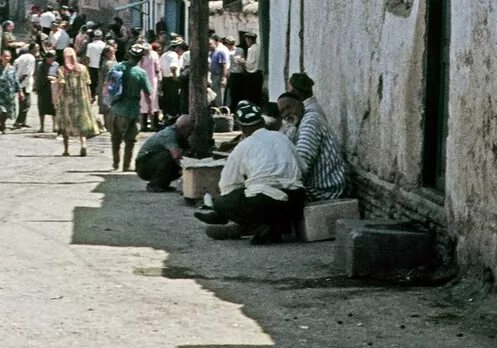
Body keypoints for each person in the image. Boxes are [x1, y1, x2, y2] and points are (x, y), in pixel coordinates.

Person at [195, 101, 306, 243]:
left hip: (263, 203)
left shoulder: (243, 147)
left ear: (242, 128)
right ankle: (266, 227)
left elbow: (227, 185)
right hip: (295, 201)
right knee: (261, 197)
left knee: (221, 202)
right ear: (262, 122)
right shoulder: (282, 138)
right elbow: (303, 168)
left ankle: (245, 224)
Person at [278, 91, 347, 201]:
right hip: (313, 187)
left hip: (326, 190)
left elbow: (303, 159)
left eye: (289, 107)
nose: (286, 113)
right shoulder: (294, 125)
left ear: (301, 104)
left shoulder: (311, 119)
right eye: (282, 111)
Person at [106, 43, 153, 172]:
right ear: (141, 58)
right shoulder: (141, 73)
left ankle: (116, 163)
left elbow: (108, 84)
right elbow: (148, 93)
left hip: (116, 108)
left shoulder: (118, 67)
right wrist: (149, 109)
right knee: (130, 140)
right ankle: (126, 165)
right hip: (132, 110)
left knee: (115, 138)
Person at [53, 47, 98, 156]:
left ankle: (66, 150)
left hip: (67, 101)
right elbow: (88, 85)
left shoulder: (62, 70)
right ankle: (83, 144)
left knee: (65, 124)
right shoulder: (83, 69)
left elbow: (61, 86)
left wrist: (55, 99)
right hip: (82, 100)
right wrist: (89, 97)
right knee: (81, 123)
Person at [134, 115, 194, 192]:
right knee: (170, 156)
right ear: (183, 127)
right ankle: (154, 185)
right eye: (190, 129)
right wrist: (187, 170)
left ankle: (163, 184)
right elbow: (176, 156)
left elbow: (187, 153)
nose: (191, 133)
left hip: (151, 162)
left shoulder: (179, 135)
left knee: (179, 160)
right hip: (143, 166)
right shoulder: (169, 134)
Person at [0, 51, 19, 133]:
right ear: (1, 57)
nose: (6, 58)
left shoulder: (12, 69)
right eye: (5, 56)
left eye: (8, 56)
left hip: (9, 94)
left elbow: (16, 81)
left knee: (8, 112)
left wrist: (20, 92)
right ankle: (3, 125)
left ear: (10, 58)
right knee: (2, 111)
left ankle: (2, 124)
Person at [159, 39, 186, 119]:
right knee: (174, 100)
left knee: (166, 99)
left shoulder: (164, 55)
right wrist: (175, 77)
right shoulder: (174, 55)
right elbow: (173, 67)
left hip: (165, 79)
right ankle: (173, 116)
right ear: (177, 47)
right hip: (172, 80)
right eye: (180, 48)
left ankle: (166, 116)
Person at [138, 41, 162, 129]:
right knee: (153, 101)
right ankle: (153, 124)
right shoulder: (154, 55)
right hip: (152, 80)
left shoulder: (139, 56)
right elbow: (157, 68)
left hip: (142, 80)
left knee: (143, 102)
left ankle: (143, 124)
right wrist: (159, 79)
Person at [13, 44, 37, 129]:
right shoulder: (31, 58)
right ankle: (18, 121)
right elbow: (26, 73)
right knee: (27, 104)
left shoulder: (19, 58)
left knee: (22, 104)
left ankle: (23, 122)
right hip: (25, 84)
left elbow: (14, 70)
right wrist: (18, 84)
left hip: (20, 83)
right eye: (36, 49)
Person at [34, 49, 58, 133]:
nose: (52, 60)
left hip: (54, 89)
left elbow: (59, 74)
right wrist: (48, 77)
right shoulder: (41, 65)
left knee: (54, 108)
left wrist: (56, 79)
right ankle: (42, 127)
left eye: (53, 58)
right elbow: (39, 76)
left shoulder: (56, 65)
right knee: (42, 108)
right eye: (50, 58)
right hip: (43, 89)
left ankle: (54, 126)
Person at [208, 36, 231, 107]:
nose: (208, 46)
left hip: (218, 75)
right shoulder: (211, 53)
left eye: (210, 44)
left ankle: (219, 108)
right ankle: (214, 108)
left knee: (218, 94)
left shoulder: (220, 52)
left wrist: (223, 78)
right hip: (212, 75)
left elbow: (224, 65)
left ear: (216, 43)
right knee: (212, 93)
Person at [85, 30, 108, 96]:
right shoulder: (104, 45)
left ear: (94, 36)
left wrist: (87, 66)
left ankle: (93, 95)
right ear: (101, 36)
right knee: (101, 81)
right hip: (101, 65)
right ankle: (100, 94)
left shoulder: (90, 45)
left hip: (91, 65)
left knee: (92, 82)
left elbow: (87, 57)